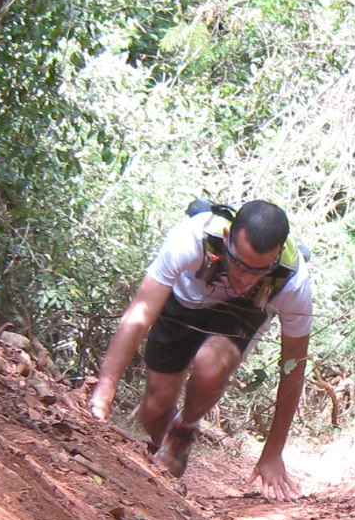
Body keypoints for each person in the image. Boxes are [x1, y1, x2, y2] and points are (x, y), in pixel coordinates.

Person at [88, 198, 313, 500]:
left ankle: (184, 430)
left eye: (259, 270)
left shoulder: (293, 281)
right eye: (240, 264)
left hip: (239, 313)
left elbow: (293, 368)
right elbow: (139, 315)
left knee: (210, 365)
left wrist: (273, 451)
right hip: (183, 302)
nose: (246, 278)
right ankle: (157, 450)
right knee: (154, 409)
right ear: (228, 238)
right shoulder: (190, 239)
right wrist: (105, 389)